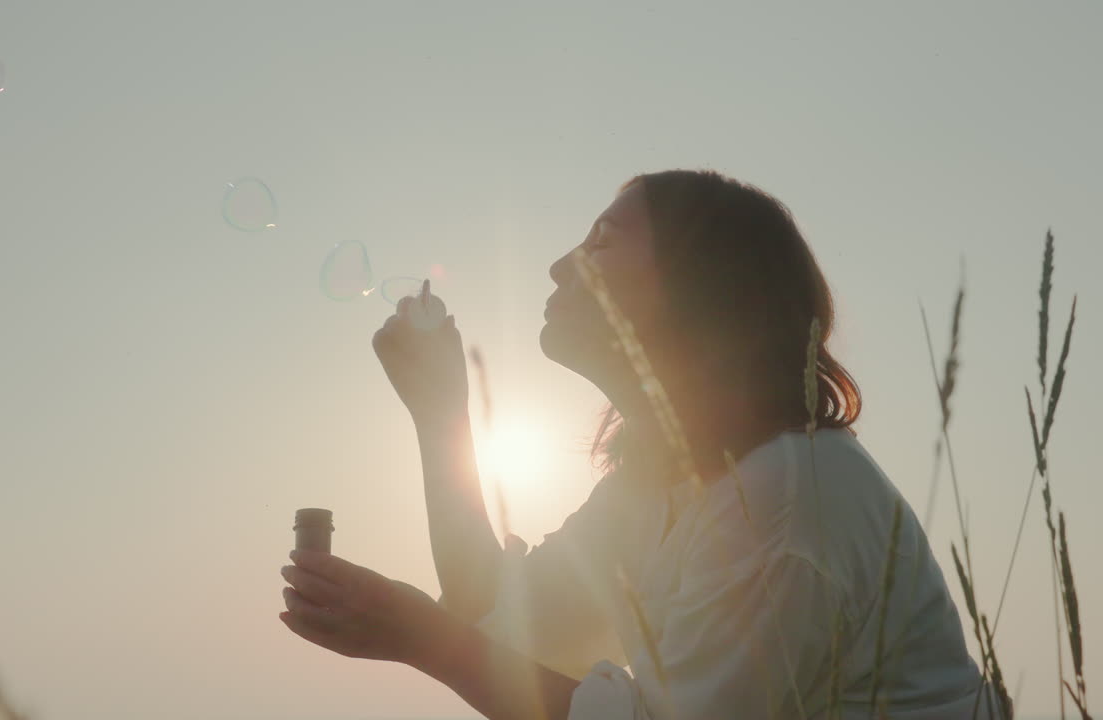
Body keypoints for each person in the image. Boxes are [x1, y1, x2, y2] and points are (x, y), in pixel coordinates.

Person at [278, 169, 987, 719]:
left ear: (698, 284)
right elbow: (500, 613)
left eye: (600, 242)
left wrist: (421, 636)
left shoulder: (784, 494)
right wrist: (441, 417)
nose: (559, 265)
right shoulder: (655, 490)